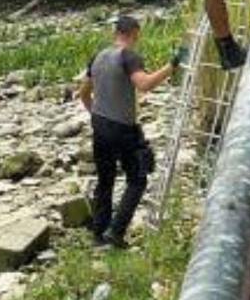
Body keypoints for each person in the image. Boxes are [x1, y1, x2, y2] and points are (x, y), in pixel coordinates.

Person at [78, 16, 185, 248]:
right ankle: (116, 232)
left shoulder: (97, 57)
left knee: (105, 180)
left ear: (115, 32)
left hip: (99, 124)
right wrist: (172, 65)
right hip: (123, 127)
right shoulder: (128, 56)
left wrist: (95, 114)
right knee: (137, 178)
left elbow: (83, 93)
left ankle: (98, 233)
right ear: (135, 33)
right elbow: (144, 84)